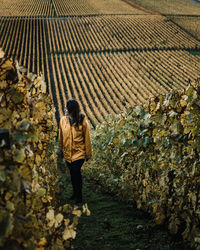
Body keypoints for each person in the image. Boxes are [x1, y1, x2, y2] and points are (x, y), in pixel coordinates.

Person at [58, 99, 92, 204]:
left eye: (66, 108)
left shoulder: (82, 121)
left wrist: (88, 154)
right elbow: (61, 135)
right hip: (67, 153)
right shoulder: (63, 120)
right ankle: (74, 192)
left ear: (71, 110)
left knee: (76, 172)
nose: (64, 110)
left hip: (79, 153)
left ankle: (79, 196)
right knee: (72, 174)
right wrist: (60, 147)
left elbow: (87, 138)